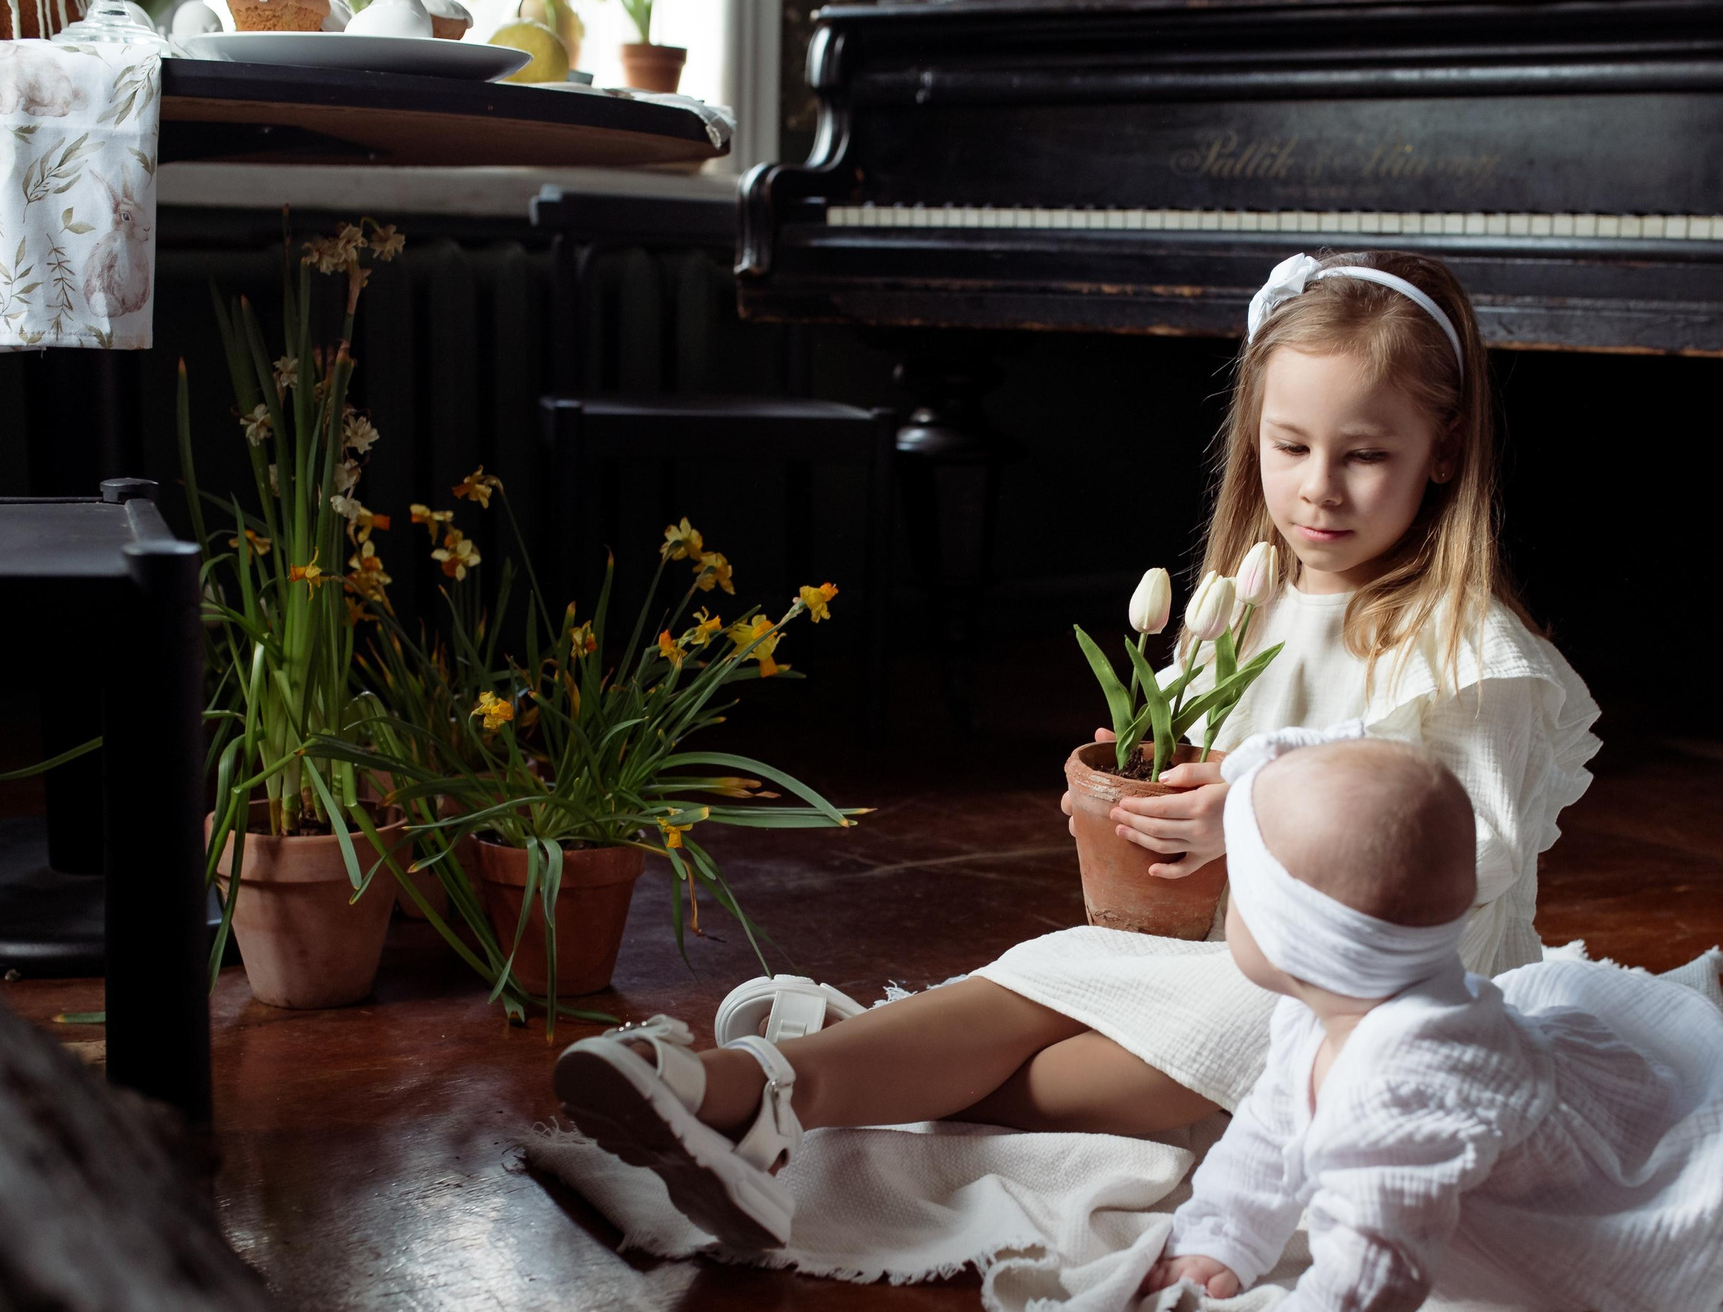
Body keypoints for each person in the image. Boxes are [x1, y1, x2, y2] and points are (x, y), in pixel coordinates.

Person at [552, 250, 1604, 1252]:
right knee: (1046, 978)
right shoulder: (1245, 604)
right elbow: (1195, 767)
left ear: (1444, 450)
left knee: (1129, 1055)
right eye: (1290, 447)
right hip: (1219, 948)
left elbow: (1471, 855)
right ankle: (721, 1084)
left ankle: (807, 1081)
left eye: (1365, 455)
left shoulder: (1471, 656)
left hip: (1366, 1005)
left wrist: (1244, 816)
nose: (1319, 488)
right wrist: (1134, 793)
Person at [1150, 730, 1723, 1312]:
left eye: (1238, 889)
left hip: (1687, 1163)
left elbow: (1372, 1271)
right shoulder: (1322, 1013)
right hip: (1583, 1125)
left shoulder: (1404, 1087)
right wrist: (1225, 1235)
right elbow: (1271, 1123)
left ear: (1290, 939)